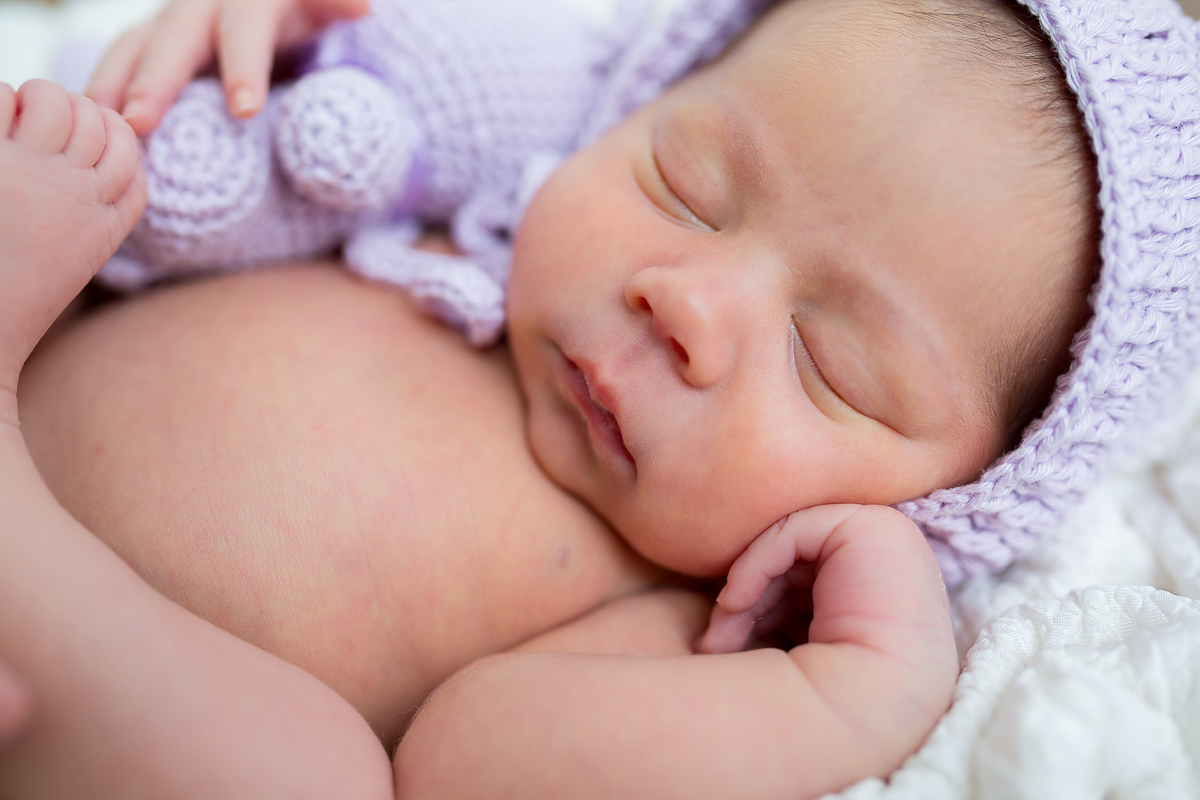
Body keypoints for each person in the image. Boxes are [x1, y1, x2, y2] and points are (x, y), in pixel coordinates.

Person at [2, 0, 1196, 797]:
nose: (686, 304)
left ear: (961, 497)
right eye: (684, 184)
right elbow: (260, 157)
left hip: (81, 714)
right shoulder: (445, 240)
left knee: (307, 780)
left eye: (831, 365)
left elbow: (467, 769)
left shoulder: (680, 611)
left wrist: (847, 690)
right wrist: (268, 53)